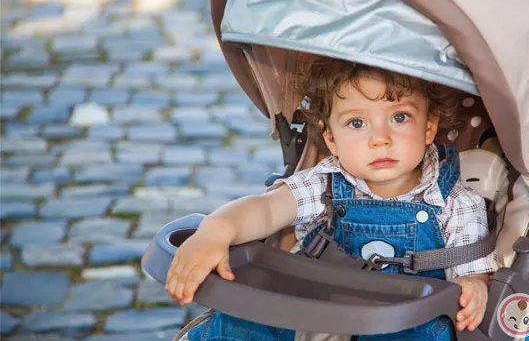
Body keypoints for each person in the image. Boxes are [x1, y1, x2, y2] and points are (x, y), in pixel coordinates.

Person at [166, 58, 500, 340]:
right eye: (357, 122)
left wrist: (474, 286)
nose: (379, 139)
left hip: (404, 321)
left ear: (429, 127)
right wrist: (216, 231)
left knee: (430, 331)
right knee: (241, 319)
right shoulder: (325, 184)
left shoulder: (457, 203)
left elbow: (472, 275)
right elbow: (266, 209)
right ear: (331, 138)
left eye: (399, 117)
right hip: (318, 308)